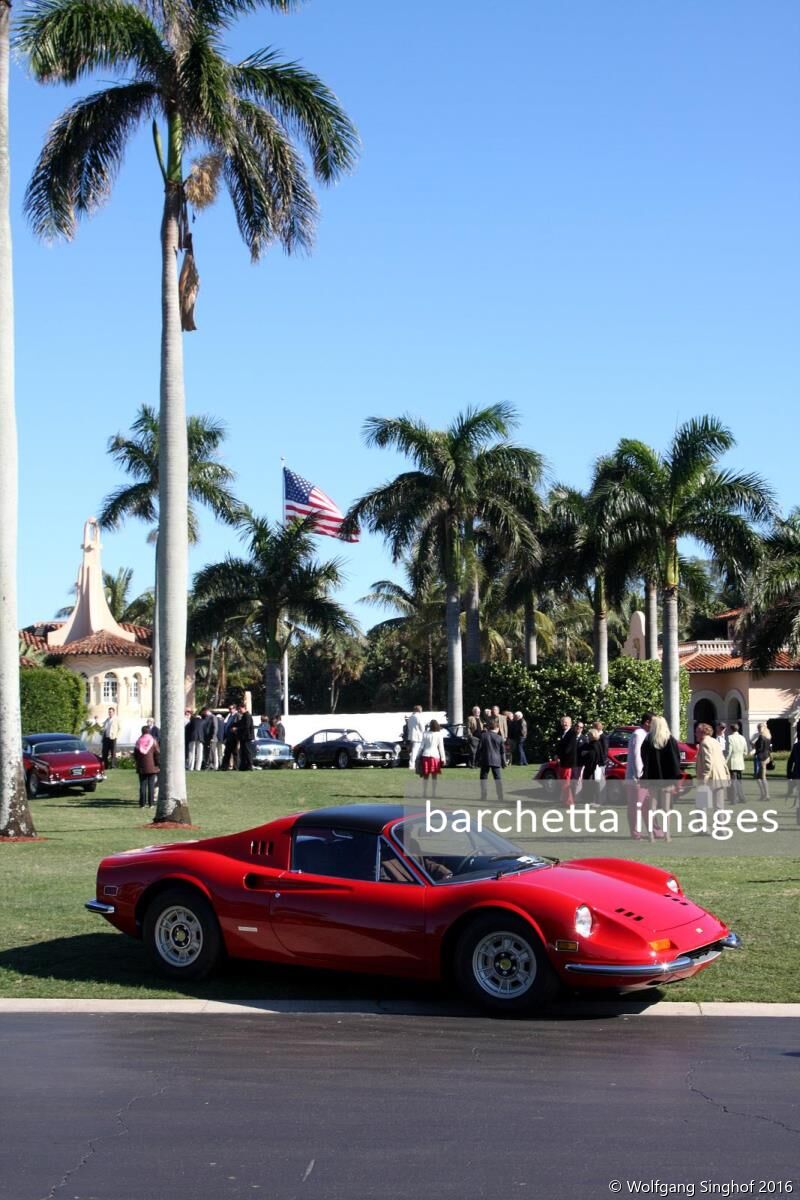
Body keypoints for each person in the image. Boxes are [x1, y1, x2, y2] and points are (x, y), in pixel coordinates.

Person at [625, 713, 652, 838]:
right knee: (636, 806)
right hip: (637, 778)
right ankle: (636, 832)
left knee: (648, 806)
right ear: (647, 722)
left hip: (645, 777)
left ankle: (655, 830)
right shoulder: (638, 734)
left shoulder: (646, 734)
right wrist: (639, 774)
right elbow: (637, 756)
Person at [696, 722, 730, 809]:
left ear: (703, 732)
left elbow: (708, 762)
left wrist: (704, 777)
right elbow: (722, 759)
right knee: (719, 805)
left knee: (702, 805)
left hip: (709, 778)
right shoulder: (715, 741)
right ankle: (720, 822)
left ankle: (701, 822)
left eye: (697, 732)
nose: (695, 734)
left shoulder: (704, 743)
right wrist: (726, 774)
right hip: (719, 776)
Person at [476, 718, 505, 802]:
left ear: (489, 727)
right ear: (497, 728)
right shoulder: (499, 738)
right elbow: (502, 752)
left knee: (483, 779)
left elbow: (479, 749)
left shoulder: (483, 736)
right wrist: (503, 763)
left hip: (485, 759)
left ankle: (483, 796)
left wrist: (477, 760)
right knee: (498, 780)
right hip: (496, 760)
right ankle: (500, 797)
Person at [418, 719, 446, 797]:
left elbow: (421, 746)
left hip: (426, 756)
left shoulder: (425, 734)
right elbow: (441, 748)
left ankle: (424, 793)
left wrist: (417, 755)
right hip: (435, 756)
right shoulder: (439, 735)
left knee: (425, 776)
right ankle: (434, 793)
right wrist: (443, 758)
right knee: (434, 776)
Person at [133, 725, 160, 808]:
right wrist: (158, 764)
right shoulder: (153, 741)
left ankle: (142, 804)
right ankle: (151, 804)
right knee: (151, 785)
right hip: (152, 767)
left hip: (141, 767)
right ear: (149, 732)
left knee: (142, 786)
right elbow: (157, 754)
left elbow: (135, 755)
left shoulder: (138, 741)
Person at [556, 715, 579, 806]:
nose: (564, 723)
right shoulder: (563, 733)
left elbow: (568, 748)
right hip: (563, 761)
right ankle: (565, 800)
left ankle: (569, 802)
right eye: (563, 722)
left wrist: (560, 756)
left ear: (570, 723)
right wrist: (557, 755)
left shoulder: (572, 733)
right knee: (563, 781)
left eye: (566, 722)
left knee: (566, 782)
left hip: (568, 762)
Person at [726, 722, 747, 803]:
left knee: (733, 781)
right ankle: (742, 798)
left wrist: (725, 761)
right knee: (739, 781)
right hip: (740, 762)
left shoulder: (730, 737)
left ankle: (734, 799)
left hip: (733, 762)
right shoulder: (742, 738)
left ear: (731, 729)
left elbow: (729, 751)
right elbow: (745, 751)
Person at [750, 722, 772, 801]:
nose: (759, 729)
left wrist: (753, 745)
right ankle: (764, 795)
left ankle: (766, 795)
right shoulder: (768, 737)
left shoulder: (761, 737)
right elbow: (769, 749)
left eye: (759, 728)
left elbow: (760, 749)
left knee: (761, 777)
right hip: (766, 757)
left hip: (761, 758)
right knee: (760, 777)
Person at [407, 705, 425, 772]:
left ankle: (413, 764)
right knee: (416, 751)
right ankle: (412, 765)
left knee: (414, 751)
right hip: (418, 736)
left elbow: (409, 727)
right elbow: (422, 727)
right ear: (419, 710)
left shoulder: (411, 717)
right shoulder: (419, 717)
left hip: (412, 735)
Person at [221, 706, 240, 771]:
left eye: (231, 708)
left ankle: (236, 767)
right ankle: (224, 767)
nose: (230, 710)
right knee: (227, 753)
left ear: (235, 709)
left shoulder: (237, 715)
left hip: (234, 737)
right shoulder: (229, 716)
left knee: (235, 753)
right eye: (229, 708)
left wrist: (236, 730)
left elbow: (238, 725)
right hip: (228, 737)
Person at [237, 704, 255, 771]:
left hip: (247, 737)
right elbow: (240, 723)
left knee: (247, 752)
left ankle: (250, 766)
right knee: (243, 752)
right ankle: (243, 766)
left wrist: (237, 729)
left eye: (240, 709)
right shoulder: (244, 716)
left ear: (244, 708)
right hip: (243, 737)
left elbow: (246, 726)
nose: (239, 710)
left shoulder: (247, 716)